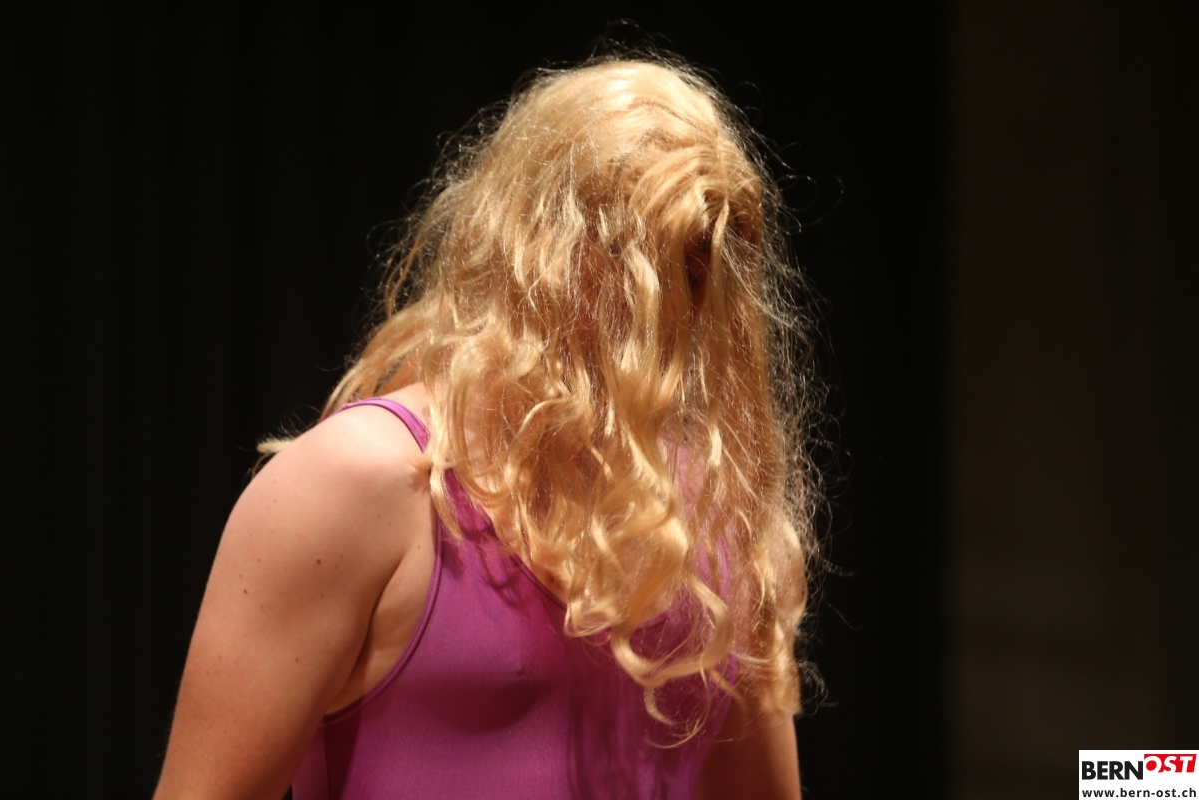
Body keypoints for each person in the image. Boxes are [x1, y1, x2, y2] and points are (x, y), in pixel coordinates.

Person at [153, 54, 821, 800]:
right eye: (625, 255)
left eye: (691, 274)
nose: (657, 307)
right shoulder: (355, 485)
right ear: (534, 243)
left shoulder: (715, 520)